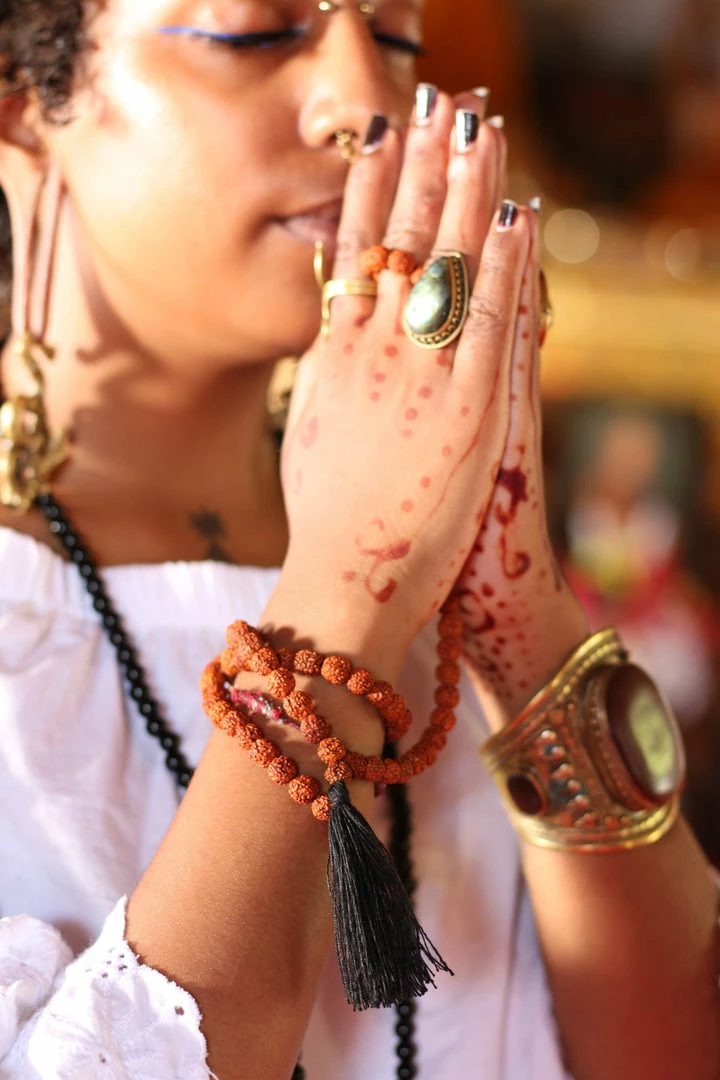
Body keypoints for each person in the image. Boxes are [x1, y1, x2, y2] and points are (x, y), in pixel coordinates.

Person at [0, 3, 716, 1079]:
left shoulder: (430, 546)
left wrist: (517, 613)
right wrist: (349, 587)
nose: (367, 103)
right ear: (20, 99)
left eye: (394, 35)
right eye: (253, 32)